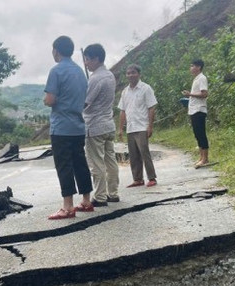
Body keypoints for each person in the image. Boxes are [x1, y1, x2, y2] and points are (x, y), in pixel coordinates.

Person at [44, 36, 93, 220]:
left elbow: (50, 99)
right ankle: (86, 201)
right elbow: (85, 100)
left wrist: (46, 100)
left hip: (61, 128)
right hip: (78, 127)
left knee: (64, 166)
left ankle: (68, 207)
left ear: (56, 51)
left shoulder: (56, 71)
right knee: (80, 163)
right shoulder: (80, 71)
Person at [82, 43, 119, 206]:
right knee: (110, 161)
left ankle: (100, 196)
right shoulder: (110, 75)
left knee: (96, 163)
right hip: (108, 124)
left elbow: (85, 102)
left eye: (88, 59)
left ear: (96, 59)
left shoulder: (95, 78)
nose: (86, 63)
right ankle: (113, 193)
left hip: (95, 126)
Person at [117, 64, 158, 187]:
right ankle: (138, 179)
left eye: (133, 72)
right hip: (130, 127)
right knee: (133, 155)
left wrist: (150, 126)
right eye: (128, 73)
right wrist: (120, 128)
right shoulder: (125, 92)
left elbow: (151, 108)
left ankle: (152, 178)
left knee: (144, 152)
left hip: (142, 126)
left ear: (139, 74)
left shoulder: (146, 88)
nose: (130, 75)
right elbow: (122, 111)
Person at [183, 59, 209, 168]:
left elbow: (204, 94)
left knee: (201, 134)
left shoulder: (202, 78)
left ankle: (205, 158)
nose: (191, 68)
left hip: (199, 110)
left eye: (192, 66)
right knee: (197, 134)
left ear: (198, 67)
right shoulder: (196, 79)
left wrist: (190, 94)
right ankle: (201, 157)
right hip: (193, 110)